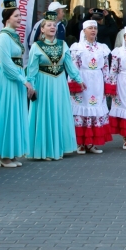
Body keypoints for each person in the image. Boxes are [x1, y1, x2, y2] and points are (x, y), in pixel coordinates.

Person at [28, 12, 83, 160]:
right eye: (48, 25)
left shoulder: (63, 44)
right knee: (45, 113)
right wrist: (31, 86)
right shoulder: (37, 46)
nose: (52, 27)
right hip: (43, 83)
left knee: (59, 112)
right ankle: (45, 150)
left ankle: (60, 146)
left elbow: (69, 65)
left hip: (59, 83)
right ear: (42, 29)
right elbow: (32, 68)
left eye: (54, 25)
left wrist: (78, 79)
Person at [0, 0, 33, 168]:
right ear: (7, 18)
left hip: (16, 78)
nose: (20, 18)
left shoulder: (14, 36)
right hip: (6, 78)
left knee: (14, 114)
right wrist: (23, 80)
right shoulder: (3, 37)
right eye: (17, 16)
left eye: (20, 15)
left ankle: (11, 152)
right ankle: (3, 154)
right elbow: (6, 63)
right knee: (6, 114)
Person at [70, 19, 113, 153]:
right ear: (84, 31)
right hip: (83, 80)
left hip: (97, 82)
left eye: (95, 28)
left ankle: (91, 143)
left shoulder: (102, 48)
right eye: (90, 28)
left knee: (95, 110)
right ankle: (80, 143)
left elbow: (106, 68)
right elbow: (73, 67)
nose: (93, 30)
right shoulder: (77, 47)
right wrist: (74, 84)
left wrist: (108, 86)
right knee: (81, 110)